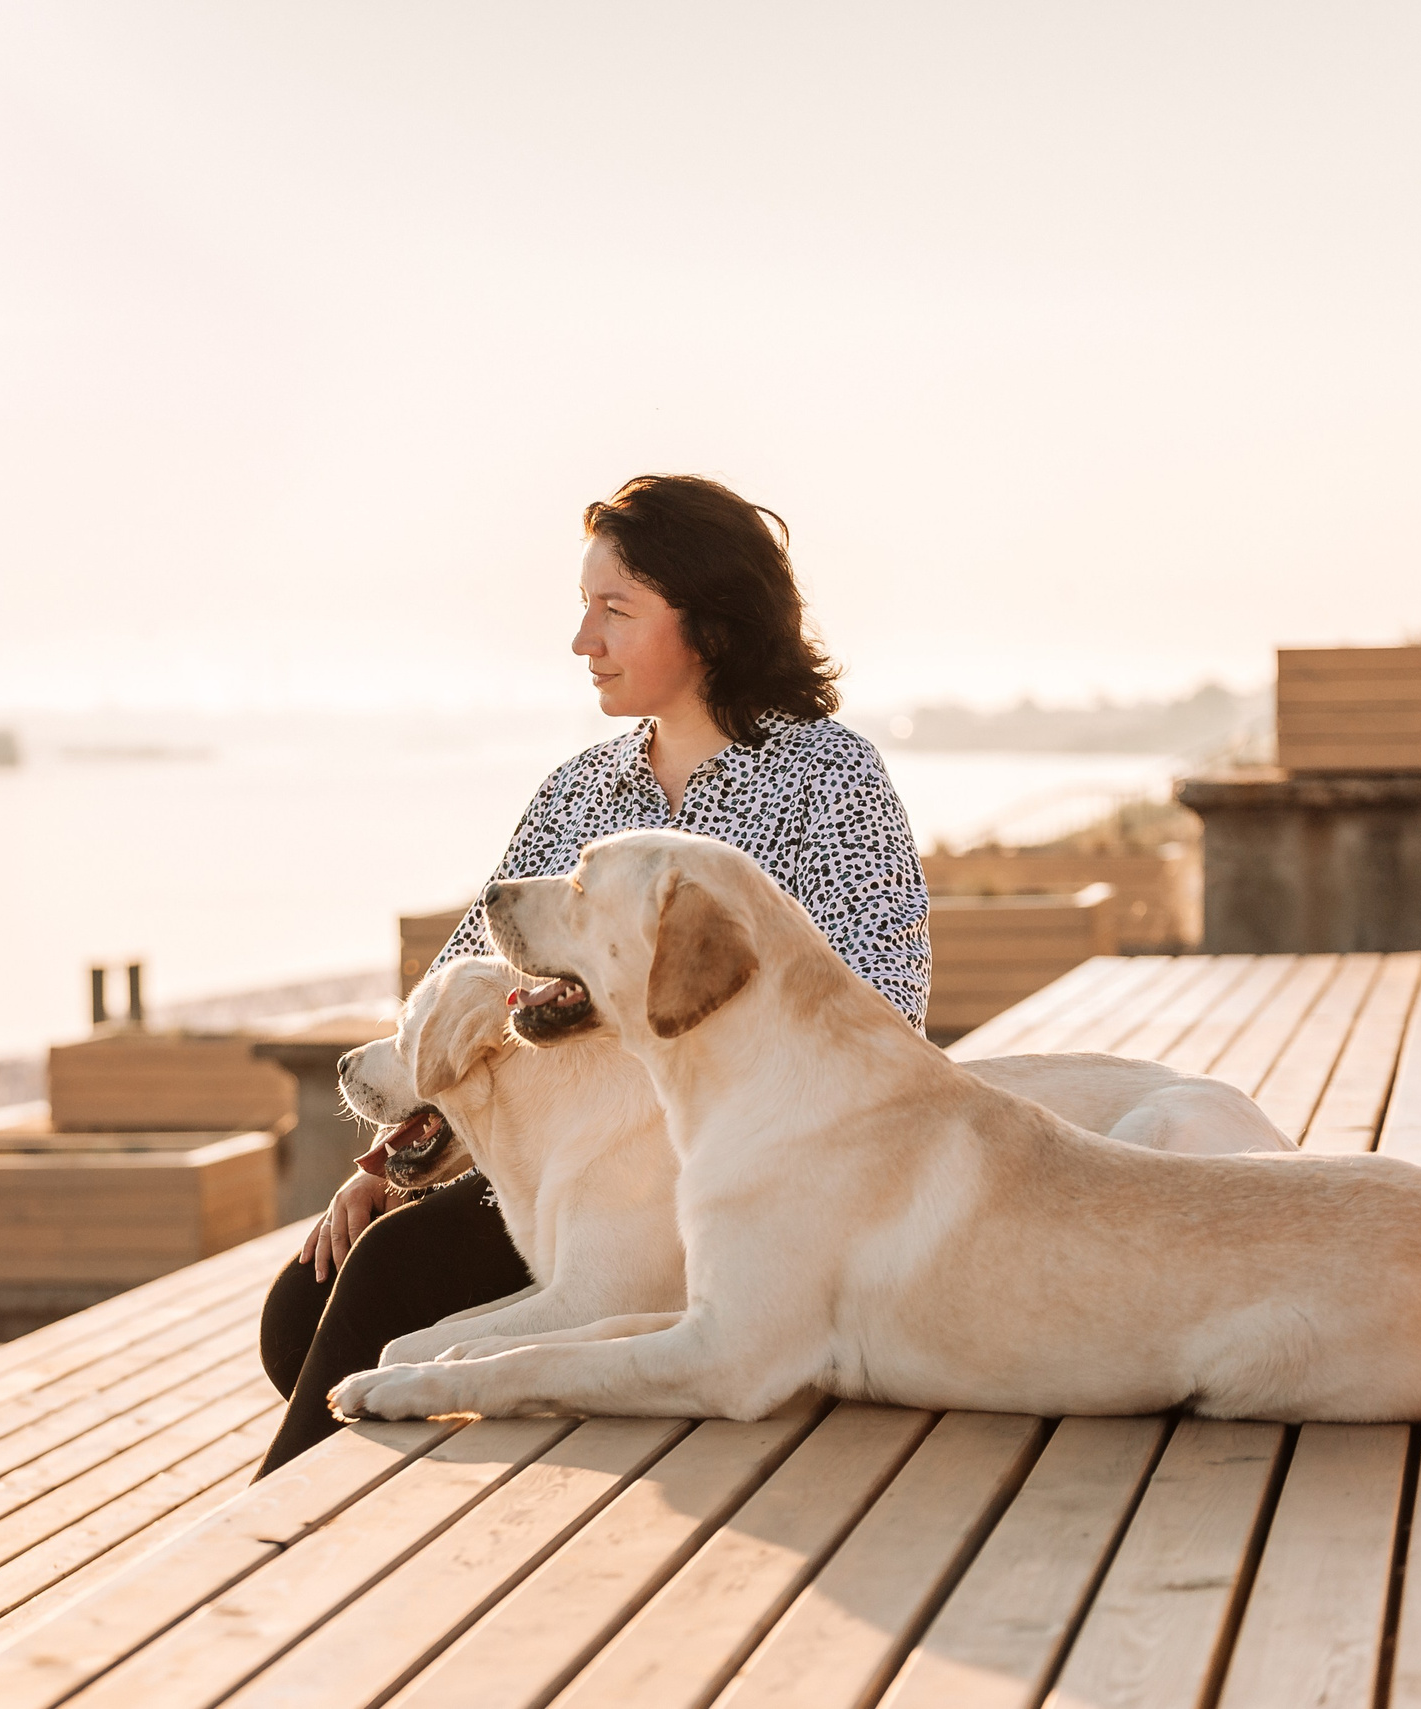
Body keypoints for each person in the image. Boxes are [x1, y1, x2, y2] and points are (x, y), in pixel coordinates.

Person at [255, 473, 931, 1474]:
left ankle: (274, 1546)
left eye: (615, 610)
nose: (583, 639)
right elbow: (464, 987)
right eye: (585, 608)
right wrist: (403, 1150)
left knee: (385, 1285)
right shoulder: (580, 788)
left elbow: (882, 1012)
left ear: (711, 622)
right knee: (303, 1308)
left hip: (719, 1187)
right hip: (564, 1170)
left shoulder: (827, 778)